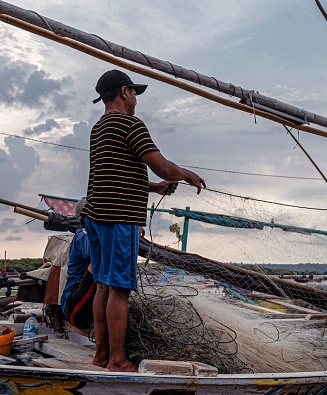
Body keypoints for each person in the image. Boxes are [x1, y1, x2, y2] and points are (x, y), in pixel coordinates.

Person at [84, 69, 206, 372]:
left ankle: (100, 356)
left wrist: (153, 187)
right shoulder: (131, 124)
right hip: (120, 218)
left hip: (96, 217)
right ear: (124, 92)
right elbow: (162, 166)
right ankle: (117, 360)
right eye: (134, 93)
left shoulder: (99, 128)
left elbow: (115, 174)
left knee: (101, 287)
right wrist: (186, 174)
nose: (136, 100)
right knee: (119, 289)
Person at [60, 197, 94, 330]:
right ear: (85, 219)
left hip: (89, 304)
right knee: (99, 260)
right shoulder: (82, 234)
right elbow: (95, 252)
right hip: (73, 304)